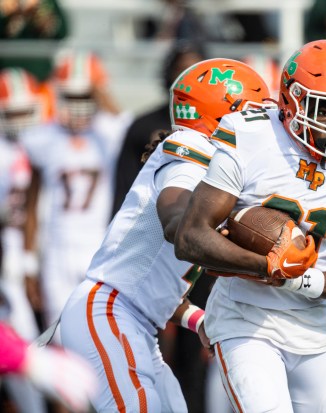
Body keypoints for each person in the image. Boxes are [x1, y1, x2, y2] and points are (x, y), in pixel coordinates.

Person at [173, 39, 326, 413]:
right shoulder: (249, 135)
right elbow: (191, 236)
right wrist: (265, 265)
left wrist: (297, 277)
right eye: (325, 109)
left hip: (312, 327)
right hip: (244, 318)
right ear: (292, 97)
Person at [58, 58, 274, 413]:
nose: (260, 126)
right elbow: (178, 222)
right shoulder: (194, 152)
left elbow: (153, 282)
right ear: (223, 115)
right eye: (251, 114)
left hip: (135, 322)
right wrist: (261, 263)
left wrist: (197, 319)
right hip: (111, 313)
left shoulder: (214, 165)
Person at [20, 51, 132, 330]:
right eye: (70, 96)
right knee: (57, 330)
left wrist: (96, 89)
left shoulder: (109, 133)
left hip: (100, 243)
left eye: (84, 97)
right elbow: (31, 205)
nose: (78, 105)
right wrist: (29, 261)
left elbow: (130, 126)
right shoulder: (43, 137)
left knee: (101, 329)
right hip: (56, 246)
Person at [0, 67, 49, 413]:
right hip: (10, 259)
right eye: (11, 113)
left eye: (24, 111)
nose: (19, 121)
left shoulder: (50, 141)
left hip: (42, 253)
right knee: (24, 344)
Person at [112, 40, 205, 216]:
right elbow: (124, 184)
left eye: (197, 72)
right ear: (169, 74)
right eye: (182, 70)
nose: (189, 78)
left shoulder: (221, 125)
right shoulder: (142, 126)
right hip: (149, 217)